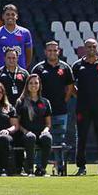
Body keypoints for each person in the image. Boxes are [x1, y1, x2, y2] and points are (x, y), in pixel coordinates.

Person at [71, 38, 98, 176]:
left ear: (97, 48)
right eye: (88, 46)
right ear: (84, 48)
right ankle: (81, 167)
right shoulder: (77, 65)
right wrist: (82, 97)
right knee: (81, 137)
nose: (91, 49)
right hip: (82, 108)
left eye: (93, 46)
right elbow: (71, 87)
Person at [31, 40, 76, 173]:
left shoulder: (65, 68)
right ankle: (39, 166)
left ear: (59, 51)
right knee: (41, 138)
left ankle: (60, 166)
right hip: (42, 112)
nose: (52, 52)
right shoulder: (38, 68)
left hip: (60, 110)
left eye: (54, 50)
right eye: (49, 50)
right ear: (45, 52)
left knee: (59, 140)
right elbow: (32, 88)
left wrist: (64, 100)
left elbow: (70, 87)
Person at [15, 74, 53, 177]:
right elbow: (17, 123)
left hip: (41, 133)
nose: (33, 85)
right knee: (30, 137)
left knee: (47, 138)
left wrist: (45, 130)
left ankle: (42, 169)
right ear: (27, 85)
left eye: (36, 83)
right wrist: (25, 131)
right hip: (25, 134)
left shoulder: (45, 102)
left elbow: (48, 123)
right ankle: (30, 169)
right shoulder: (21, 102)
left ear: (40, 85)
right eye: (31, 83)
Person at [0, 4, 34, 69]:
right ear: (3, 16)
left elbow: (29, 56)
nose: (10, 17)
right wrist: (0, 69)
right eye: (7, 14)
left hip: (20, 72)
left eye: (13, 14)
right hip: (3, 73)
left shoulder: (25, 33)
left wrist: (23, 68)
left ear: (16, 16)